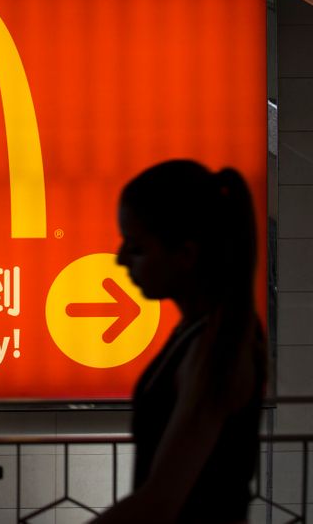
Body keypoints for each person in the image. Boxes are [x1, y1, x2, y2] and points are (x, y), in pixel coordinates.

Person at [92, 160, 266, 524]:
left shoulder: (214, 347)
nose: (122, 259)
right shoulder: (209, 335)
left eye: (137, 247)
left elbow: (159, 503)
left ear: (186, 254)